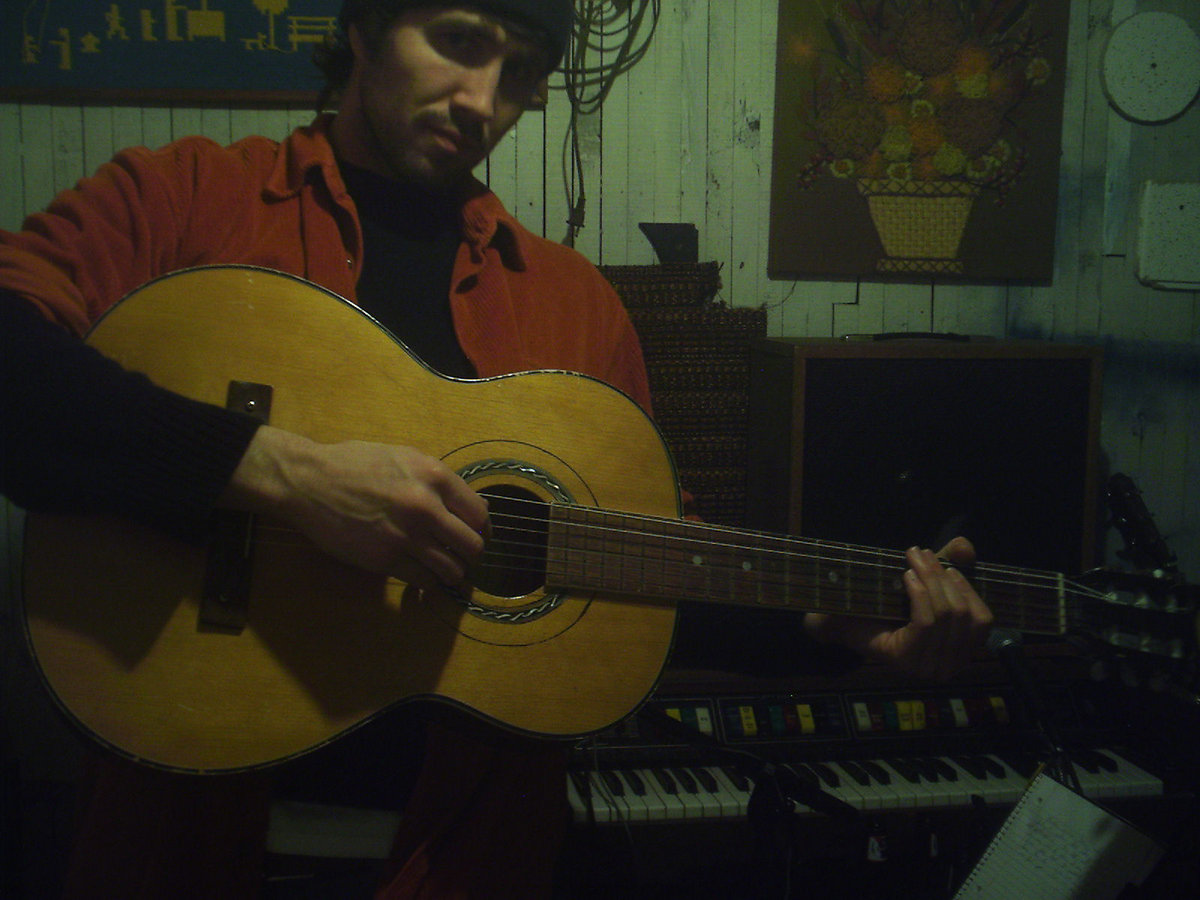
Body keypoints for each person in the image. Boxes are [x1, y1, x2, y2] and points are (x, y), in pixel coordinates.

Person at [0, 1, 994, 896]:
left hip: (467, 858)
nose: (483, 99)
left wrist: (829, 629)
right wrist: (285, 477)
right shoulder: (184, 200)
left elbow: (639, 583)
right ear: (363, 27)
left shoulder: (572, 307)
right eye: (459, 41)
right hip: (182, 841)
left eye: (521, 71)